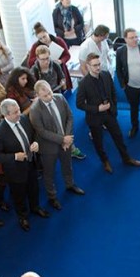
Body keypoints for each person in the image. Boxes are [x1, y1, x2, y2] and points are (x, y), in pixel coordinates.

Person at [76, 53, 140, 173]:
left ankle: (126, 158)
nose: (98, 67)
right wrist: (97, 109)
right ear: (88, 66)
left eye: (99, 64)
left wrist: (113, 108)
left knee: (119, 137)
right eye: (94, 65)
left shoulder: (106, 75)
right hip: (95, 117)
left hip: (109, 114)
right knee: (98, 142)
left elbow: (113, 93)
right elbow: (79, 104)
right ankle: (105, 161)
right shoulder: (83, 83)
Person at [0, 99, 50, 232]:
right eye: (15, 112)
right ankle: (23, 217)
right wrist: (14, 157)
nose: (19, 113)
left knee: (34, 188)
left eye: (18, 110)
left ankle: (35, 207)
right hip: (15, 171)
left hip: (31, 163)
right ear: (6, 115)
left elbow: (34, 134)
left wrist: (35, 143)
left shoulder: (23, 119)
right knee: (19, 196)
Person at [28, 80, 85, 211]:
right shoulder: (34, 110)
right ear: (37, 95)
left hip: (66, 141)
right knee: (49, 173)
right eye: (45, 96)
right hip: (48, 147)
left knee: (67, 165)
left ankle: (70, 185)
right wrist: (62, 140)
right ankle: (52, 196)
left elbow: (70, 117)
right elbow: (42, 132)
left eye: (50, 92)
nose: (49, 97)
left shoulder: (59, 98)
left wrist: (67, 138)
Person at [26, 23, 73, 91]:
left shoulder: (58, 41)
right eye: (40, 39)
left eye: (44, 36)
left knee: (64, 88)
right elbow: (30, 62)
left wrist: (61, 61)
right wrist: (41, 58)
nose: (43, 40)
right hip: (45, 74)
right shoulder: (36, 46)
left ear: (47, 33)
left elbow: (67, 55)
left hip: (60, 68)